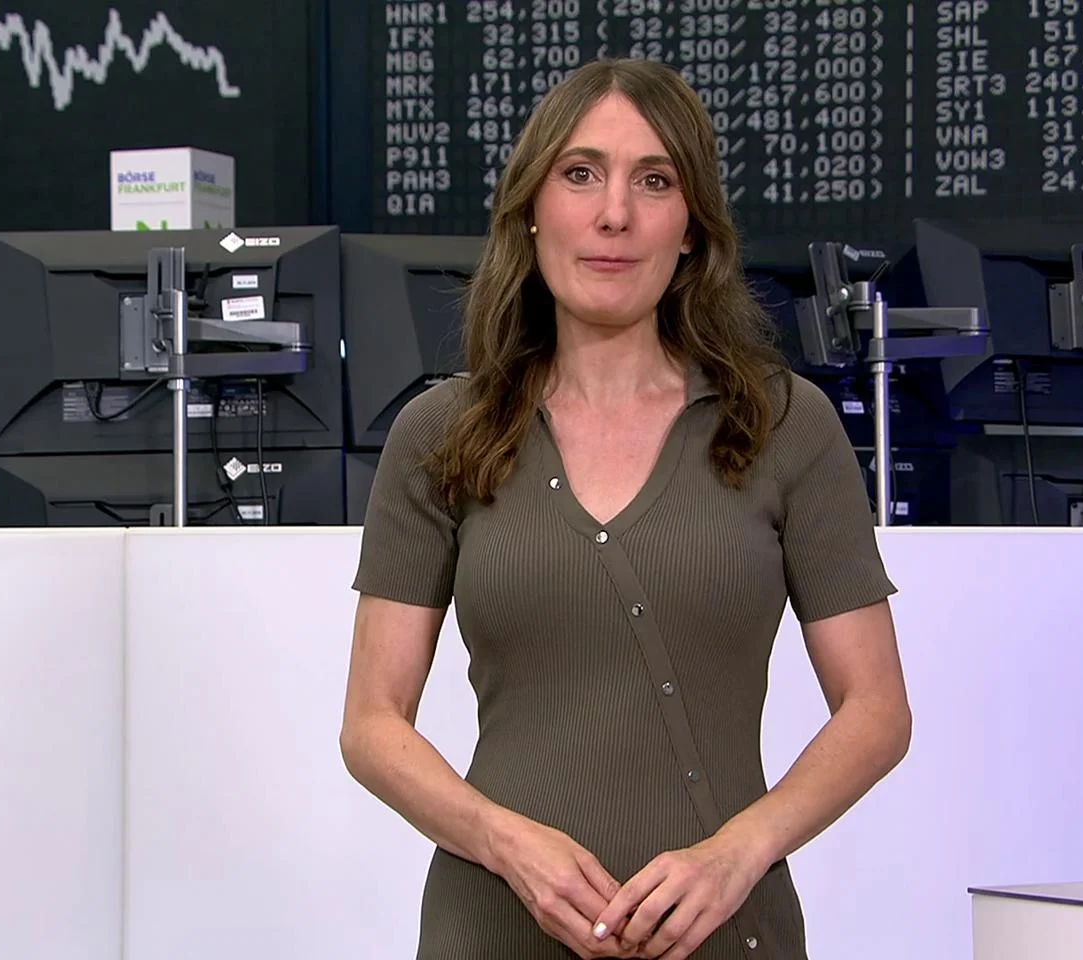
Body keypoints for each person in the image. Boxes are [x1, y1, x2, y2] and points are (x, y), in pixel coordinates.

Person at [339, 57, 911, 960]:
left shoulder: (783, 423)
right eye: (580, 174)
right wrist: (503, 843)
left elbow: (876, 708)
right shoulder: (440, 432)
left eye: (655, 181)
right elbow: (372, 724)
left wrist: (738, 854)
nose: (615, 214)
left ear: (691, 227)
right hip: (493, 926)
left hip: (724, 930)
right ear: (532, 209)